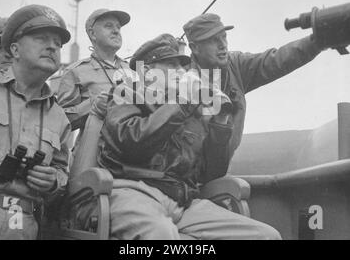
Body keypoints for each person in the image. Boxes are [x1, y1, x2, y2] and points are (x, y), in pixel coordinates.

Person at [77, 34, 281, 240]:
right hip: (133, 192)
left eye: (182, 66)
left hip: (182, 202)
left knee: (265, 236)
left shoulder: (187, 109)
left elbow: (210, 173)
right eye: (171, 65)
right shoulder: (126, 94)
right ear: (146, 71)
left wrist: (221, 124)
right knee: (161, 234)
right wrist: (183, 103)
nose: (181, 72)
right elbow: (132, 141)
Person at [183, 13, 327, 164]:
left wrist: (317, 42)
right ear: (195, 48)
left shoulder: (236, 66)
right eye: (213, 40)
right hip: (185, 174)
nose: (222, 44)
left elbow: (276, 60)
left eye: (223, 37)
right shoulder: (179, 82)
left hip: (217, 170)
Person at [0, 4, 71, 240]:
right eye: (42, 38)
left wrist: (53, 181)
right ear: (14, 49)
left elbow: (62, 170)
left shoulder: (59, 117)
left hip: (24, 226)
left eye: (58, 43)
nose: (52, 46)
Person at [57, 9, 131, 160]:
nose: (116, 31)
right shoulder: (75, 72)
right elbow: (60, 122)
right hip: (93, 157)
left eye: (118, 27)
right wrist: (93, 105)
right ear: (92, 34)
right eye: (109, 26)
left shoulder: (133, 71)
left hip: (130, 156)